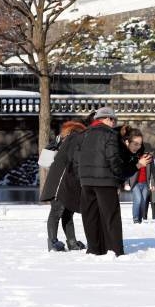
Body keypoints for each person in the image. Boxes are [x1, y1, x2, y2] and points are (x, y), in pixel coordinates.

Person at [78, 107, 125, 256]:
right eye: (113, 120)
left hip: (86, 181)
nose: (114, 123)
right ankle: (115, 249)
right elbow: (113, 159)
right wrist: (120, 176)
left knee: (90, 216)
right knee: (111, 216)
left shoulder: (84, 134)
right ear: (107, 119)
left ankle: (94, 248)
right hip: (105, 181)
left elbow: (76, 158)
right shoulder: (110, 134)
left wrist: (83, 176)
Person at [40, 120, 87, 252]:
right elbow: (44, 162)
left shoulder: (68, 143)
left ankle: (71, 242)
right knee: (57, 211)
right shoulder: (65, 143)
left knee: (67, 213)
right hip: (59, 184)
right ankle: (53, 242)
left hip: (68, 183)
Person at [120, 127, 155, 224]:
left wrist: (153, 183)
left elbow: (152, 172)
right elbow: (127, 169)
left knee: (143, 201)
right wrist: (126, 182)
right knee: (138, 200)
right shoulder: (133, 156)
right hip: (135, 183)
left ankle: (141, 218)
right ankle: (136, 219)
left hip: (145, 183)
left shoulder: (149, 158)